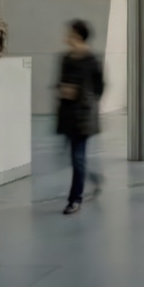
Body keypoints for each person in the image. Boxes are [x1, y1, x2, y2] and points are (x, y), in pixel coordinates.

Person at [57, 19, 105, 215]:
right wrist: (64, 90)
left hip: (83, 115)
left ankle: (75, 199)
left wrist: (85, 98)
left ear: (78, 36)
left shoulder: (91, 60)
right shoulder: (66, 59)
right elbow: (60, 82)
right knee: (75, 158)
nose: (67, 37)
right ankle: (93, 179)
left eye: (71, 33)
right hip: (68, 114)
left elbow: (99, 87)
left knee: (77, 157)